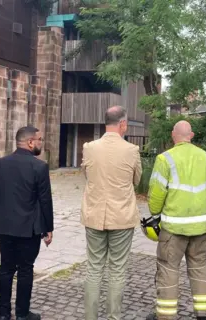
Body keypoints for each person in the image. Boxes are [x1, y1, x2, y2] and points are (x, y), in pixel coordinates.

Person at [145, 120, 206, 320]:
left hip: (172, 230)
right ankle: (204, 314)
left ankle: (166, 315)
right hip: (201, 229)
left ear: (173, 135)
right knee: (199, 269)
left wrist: (155, 216)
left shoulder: (165, 159)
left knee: (169, 270)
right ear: (192, 135)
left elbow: (155, 195)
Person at [81, 106, 142, 320]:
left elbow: (87, 175)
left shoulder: (89, 147)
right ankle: (113, 317)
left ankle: (90, 317)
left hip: (94, 214)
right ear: (123, 124)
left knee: (94, 268)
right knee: (117, 269)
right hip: (122, 216)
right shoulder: (132, 150)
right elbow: (137, 180)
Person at [0, 126, 53, 320]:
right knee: (25, 270)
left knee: (6, 268)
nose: (41, 143)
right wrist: (48, 228)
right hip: (29, 228)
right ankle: (22, 314)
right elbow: (45, 200)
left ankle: (3, 314)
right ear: (30, 142)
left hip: (5, 226)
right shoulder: (39, 166)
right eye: (40, 140)